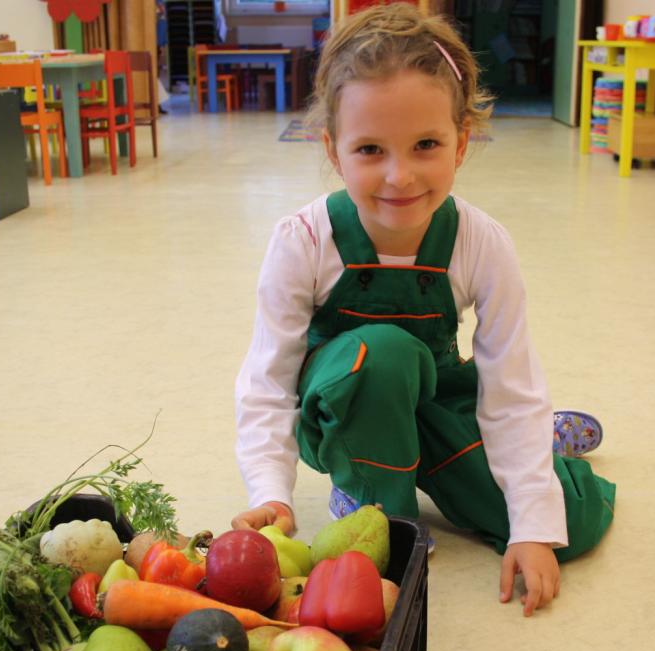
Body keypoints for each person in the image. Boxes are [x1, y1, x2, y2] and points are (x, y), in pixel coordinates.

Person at [230, 3, 614, 617]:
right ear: (334, 148)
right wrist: (272, 493)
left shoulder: (482, 243)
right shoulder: (302, 241)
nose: (399, 175)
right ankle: (373, 504)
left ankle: (545, 442)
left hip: (435, 399)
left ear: (462, 143)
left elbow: (509, 383)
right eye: (370, 149)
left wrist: (532, 525)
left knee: (569, 526)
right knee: (382, 355)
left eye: (426, 144)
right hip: (344, 412)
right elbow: (269, 379)